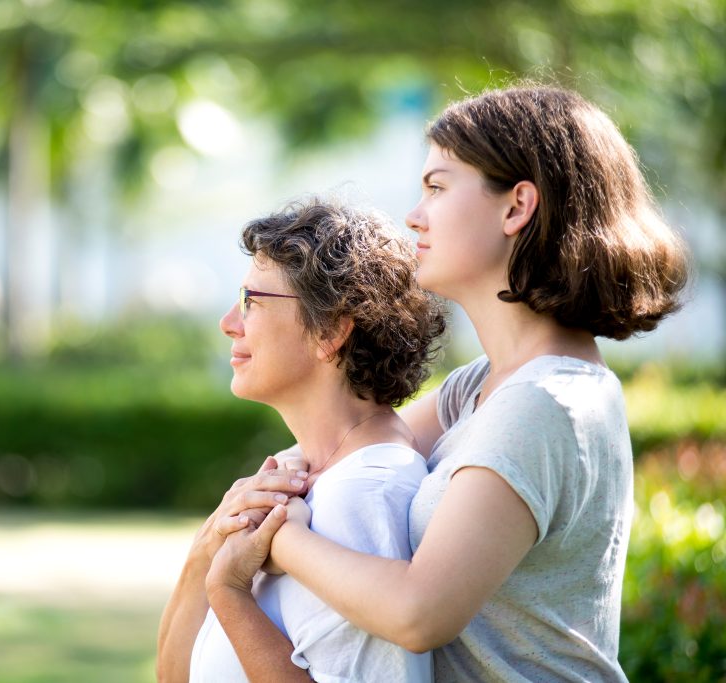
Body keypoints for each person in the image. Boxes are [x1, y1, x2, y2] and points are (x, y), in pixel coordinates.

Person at [205, 84, 691, 682]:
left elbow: (420, 613)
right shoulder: (481, 387)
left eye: (437, 186)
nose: (414, 215)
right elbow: (344, 443)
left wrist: (279, 539)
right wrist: (255, 498)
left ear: (516, 207)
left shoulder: (547, 402)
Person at [156, 199, 446, 682]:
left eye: (253, 301)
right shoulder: (306, 475)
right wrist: (203, 555)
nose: (229, 321)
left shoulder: (366, 493)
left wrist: (229, 592)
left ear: (331, 330)